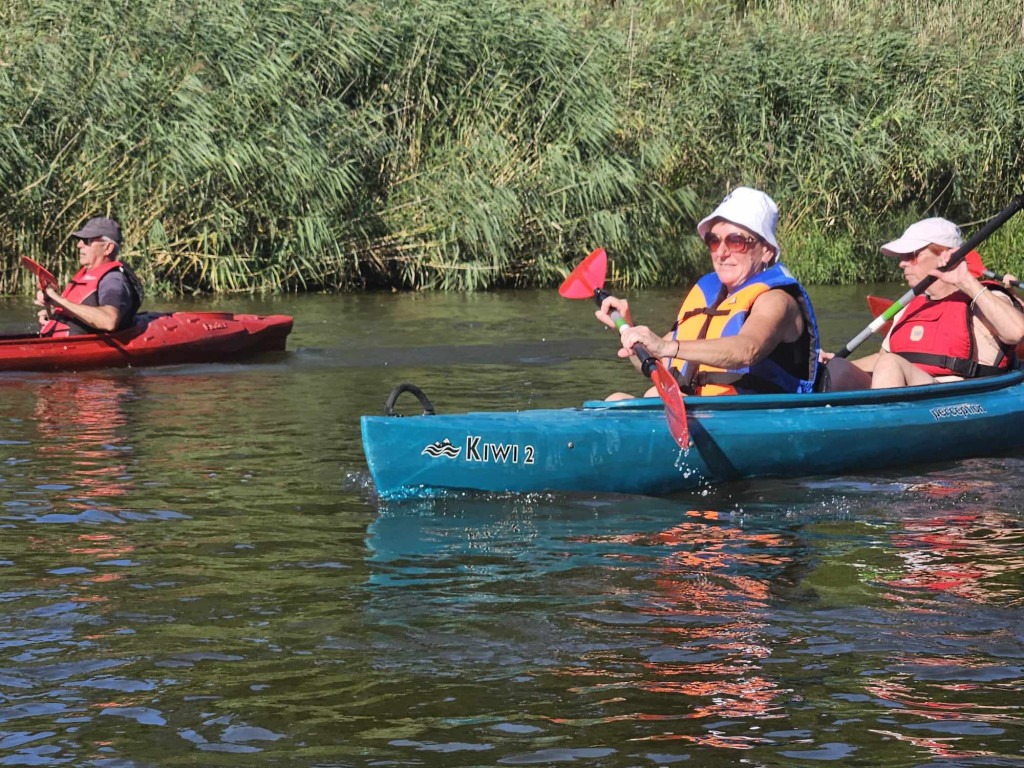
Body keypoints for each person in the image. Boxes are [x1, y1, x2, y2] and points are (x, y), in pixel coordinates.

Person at [596, 187, 820, 398]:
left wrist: (666, 347)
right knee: (617, 400)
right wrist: (629, 329)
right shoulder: (710, 295)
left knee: (631, 398)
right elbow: (656, 363)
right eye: (714, 241)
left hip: (757, 416)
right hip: (701, 410)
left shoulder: (777, 300)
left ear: (767, 252)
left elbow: (747, 349)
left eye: (736, 241)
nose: (721, 252)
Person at [822, 217, 1024, 390]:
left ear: (945, 254)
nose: (902, 262)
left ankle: (880, 428)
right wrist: (831, 366)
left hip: (956, 399)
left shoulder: (982, 298)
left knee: (891, 364)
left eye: (912, 255)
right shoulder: (910, 307)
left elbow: (1017, 331)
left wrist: (967, 282)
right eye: (902, 256)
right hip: (907, 394)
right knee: (837, 370)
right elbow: (881, 358)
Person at [35, 217, 142, 336]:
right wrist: (52, 311)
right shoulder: (84, 276)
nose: (79, 245)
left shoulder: (112, 280)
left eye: (87, 241)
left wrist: (59, 300)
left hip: (78, 348)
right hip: (59, 345)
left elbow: (109, 321)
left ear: (108, 248)